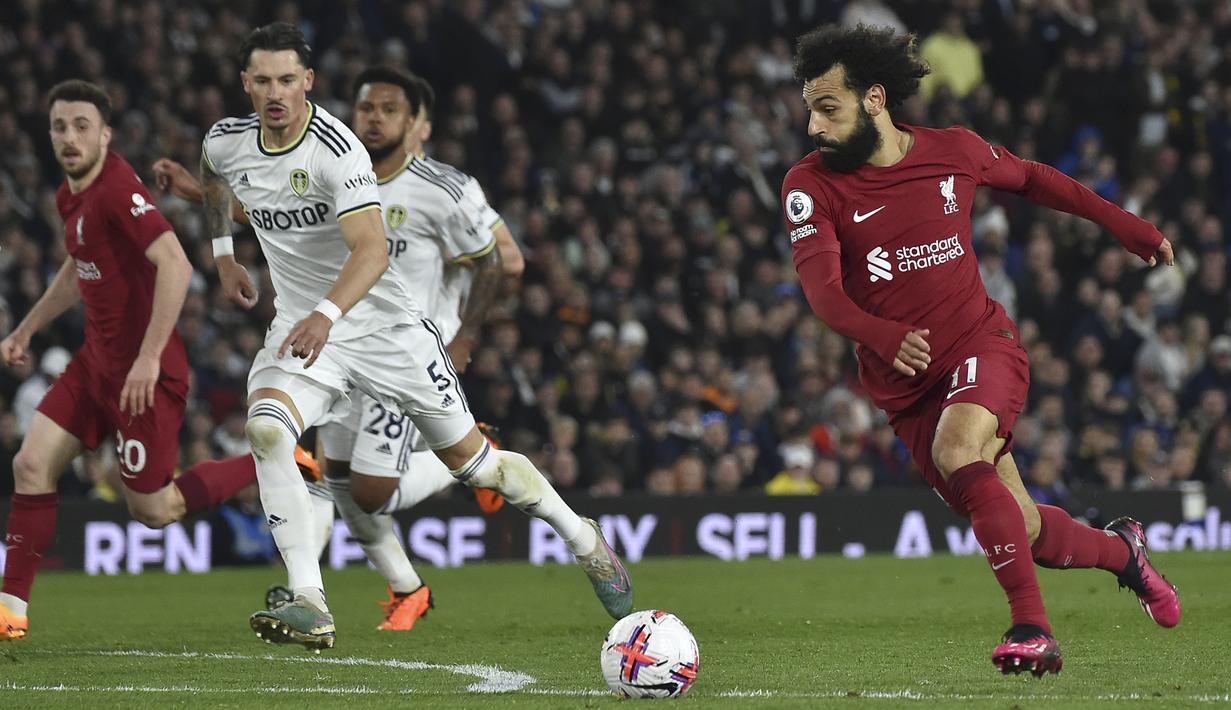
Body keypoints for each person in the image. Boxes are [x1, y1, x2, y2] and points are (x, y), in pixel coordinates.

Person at [197, 22, 630, 651]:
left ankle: (583, 537)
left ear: (308, 82)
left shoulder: (336, 150)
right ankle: (310, 600)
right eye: (262, 80)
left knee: (479, 470)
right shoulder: (228, 140)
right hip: (304, 332)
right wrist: (222, 255)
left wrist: (325, 313)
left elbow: (371, 253)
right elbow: (213, 174)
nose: (276, 92)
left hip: (388, 333)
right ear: (246, 84)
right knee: (268, 430)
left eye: (288, 79)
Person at [782, 24, 1180, 676]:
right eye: (808, 109)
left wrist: (1124, 225)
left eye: (827, 107)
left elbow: (1034, 180)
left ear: (875, 98)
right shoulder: (811, 186)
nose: (812, 126)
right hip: (903, 386)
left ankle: (1031, 627)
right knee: (1019, 529)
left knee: (957, 448)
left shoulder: (953, 151)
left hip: (980, 344)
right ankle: (1122, 553)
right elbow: (823, 294)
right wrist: (883, 338)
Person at [154, 66, 526, 631]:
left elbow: (505, 258)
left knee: (371, 490)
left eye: (389, 110)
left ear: (419, 126)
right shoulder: (338, 164)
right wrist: (194, 192)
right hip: (338, 336)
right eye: (365, 109)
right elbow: (278, 215)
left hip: (401, 343)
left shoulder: (441, 187)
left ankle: (472, 457)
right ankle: (395, 589)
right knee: (339, 481)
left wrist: (458, 319)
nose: (373, 119)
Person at [0, 80, 259, 641]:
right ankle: (10, 613)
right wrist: (27, 327)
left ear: (106, 135)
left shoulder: (117, 189)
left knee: (156, 509)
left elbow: (177, 265)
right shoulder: (69, 195)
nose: (70, 137)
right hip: (96, 363)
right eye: (60, 127)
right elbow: (78, 265)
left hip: (146, 373)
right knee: (30, 465)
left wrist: (146, 359)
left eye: (82, 126)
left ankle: (273, 460)